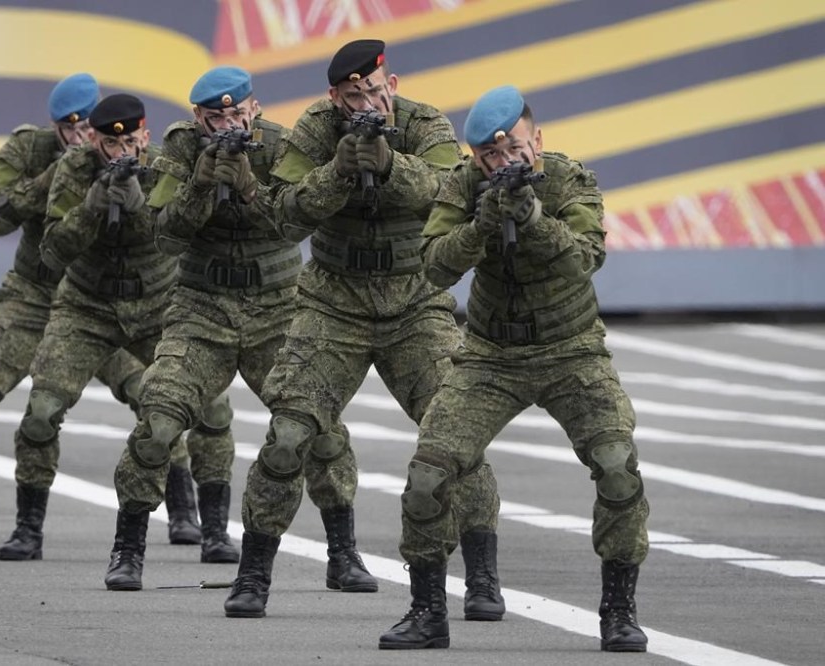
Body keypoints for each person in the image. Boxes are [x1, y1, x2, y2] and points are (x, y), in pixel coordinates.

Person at [224, 39, 501, 620]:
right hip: (334, 303)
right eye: (353, 96)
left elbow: (448, 192)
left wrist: (389, 165)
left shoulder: (424, 124)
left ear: (390, 85)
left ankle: (482, 576)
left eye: (374, 91)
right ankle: (253, 575)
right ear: (335, 97)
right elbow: (283, 213)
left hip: (415, 301)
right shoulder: (317, 128)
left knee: (457, 435)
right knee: (289, 434)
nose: (366, 102)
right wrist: (339, 169)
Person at [378, 85, 649, 652]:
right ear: (476, 157)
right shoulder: (463, 184)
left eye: (514, 149)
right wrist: (480, 227)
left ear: (537, 141)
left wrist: (533, 217)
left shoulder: (569, 181)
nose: (503, 161)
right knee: (428, 475)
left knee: (617, 467)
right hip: (491, 355)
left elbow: (585, 260)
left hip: (570, 349)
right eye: (490, 155)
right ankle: (427, 611)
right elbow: (433, 267)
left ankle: (619, 612)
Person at [105, 66, 370, 591]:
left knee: (319, 428)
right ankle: (127, 549)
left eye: (236, 115)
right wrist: (200, 185)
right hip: (202, 307)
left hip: (278, 308)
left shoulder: (282, 147)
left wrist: (248, 184)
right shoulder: (182, 148)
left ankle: (343, 553)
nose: (227, 125)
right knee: (158, 421)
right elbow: (165, 235)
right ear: (197, 117)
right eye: (214, 117)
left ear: (253, 109)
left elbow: (294, 222)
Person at [0, 92, 235, 562]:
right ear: (95, 142)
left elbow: (176, 235)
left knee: (212, 409)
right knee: (42, 410)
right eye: (109, 144)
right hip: (87, 305)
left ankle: (214, 531)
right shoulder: (75, 168)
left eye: (129, 143)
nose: (120, 152)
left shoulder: (164, 165)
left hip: (159, 303)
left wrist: (140, 208)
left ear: (145, 135)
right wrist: (91, 207)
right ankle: (27, 528)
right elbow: (52, 251)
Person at [0, 73, 149, 546]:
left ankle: (184, 513)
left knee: (157, 399)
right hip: (34, 295)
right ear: (55, 127)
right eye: (70, 129)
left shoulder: (132, 155)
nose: (81, 138)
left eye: (89, 128)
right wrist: (51, 178)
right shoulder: (30, 149)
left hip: (98, 302)